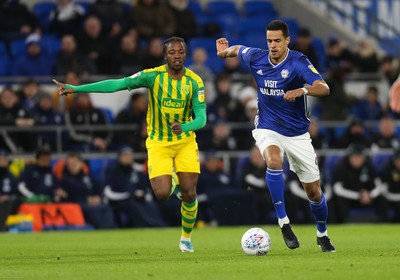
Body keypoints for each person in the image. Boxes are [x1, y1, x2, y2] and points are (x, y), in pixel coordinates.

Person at [53, 36, 206, 252]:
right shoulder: (152, 76)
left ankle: (186, 238)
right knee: (162, 194)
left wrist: (186, 126)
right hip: (159, 143)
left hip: (185, 142)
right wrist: (77, 89)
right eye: (172, 52)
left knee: (190, 192)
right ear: (165, 55)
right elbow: (119, 84)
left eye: (180, 52)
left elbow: (202, 118)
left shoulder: (195, 82)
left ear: (185, 54)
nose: (177, 56)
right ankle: (174, 178)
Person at [216, 20, 335, 252]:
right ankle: (284, 223)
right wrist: (223, 53)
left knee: (314, 192)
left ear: (287, 40)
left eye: (277, 41)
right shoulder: (257, 57)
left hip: (297, 133)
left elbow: (324, 87)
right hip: (267, 126)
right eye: (269, 40)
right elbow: (238, 49)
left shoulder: (299, 62)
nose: (272, 45)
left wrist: (302, 89)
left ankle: (322, 233)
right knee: (273, 161)